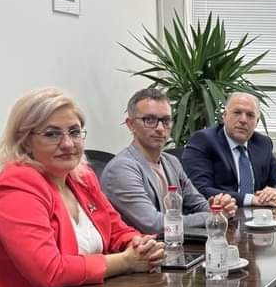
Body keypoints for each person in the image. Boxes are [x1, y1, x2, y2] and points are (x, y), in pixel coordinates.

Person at [0, 88, 165, 287]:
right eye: (52, 134)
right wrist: (126, 261)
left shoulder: (82, 177)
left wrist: (138, 245)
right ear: (26, 142)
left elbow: (116, 229)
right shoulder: (17, 186)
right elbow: (49, 271)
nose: (68, 144)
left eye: (74, 132)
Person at [101, 87, 237, 234]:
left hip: (178, 243)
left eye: (166, 121)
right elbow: (154, 225)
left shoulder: (172, 162)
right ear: (131, 124)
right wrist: (214, 216)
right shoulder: (121, 169)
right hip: (144, 247)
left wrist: (218, 207)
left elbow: (198, 203)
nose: (160, 128)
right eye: (150, 120)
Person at [181, 92, 276, 208]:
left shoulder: (262, 144)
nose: (243, 120)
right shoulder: (204, 140)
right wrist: (251, 199)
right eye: (237, 112)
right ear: (224, 116)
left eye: (250, 115)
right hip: (219, 215)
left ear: (257, 122)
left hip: (257, 216)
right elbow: (199, 189)